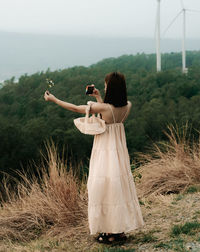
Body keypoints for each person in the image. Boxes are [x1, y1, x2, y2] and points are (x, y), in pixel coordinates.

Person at [44, 71, 144, 244]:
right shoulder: (128, 105)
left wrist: (54, 100)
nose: (104, 87)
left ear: (110, 88)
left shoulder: (104, 108)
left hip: (105, 150)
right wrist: (99, 98)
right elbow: (110, 114)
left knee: (103, 188)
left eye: (105, 86)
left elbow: (76, 108)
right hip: (118, 151)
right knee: (117, 188)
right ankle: (118, 231)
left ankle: (110, 233)